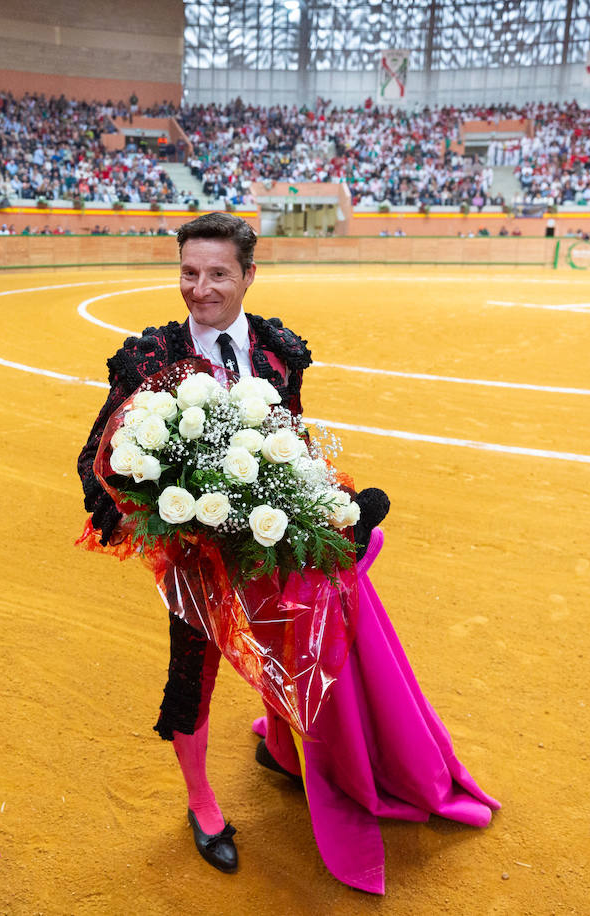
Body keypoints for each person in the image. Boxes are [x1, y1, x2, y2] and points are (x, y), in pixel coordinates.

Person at [78, 211, 497, 891]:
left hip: (270, 548)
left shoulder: (277, 350)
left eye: (217, 273)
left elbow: (293, 445)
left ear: (248, 274)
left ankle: (283, 749)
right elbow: (97, 453)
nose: (200, 288)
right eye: (189, 272)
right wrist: (151, 499)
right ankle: (202, 805)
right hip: (195, 554)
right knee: (193, 674)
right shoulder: (151, 357)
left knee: (291, 646)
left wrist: (336, 503)